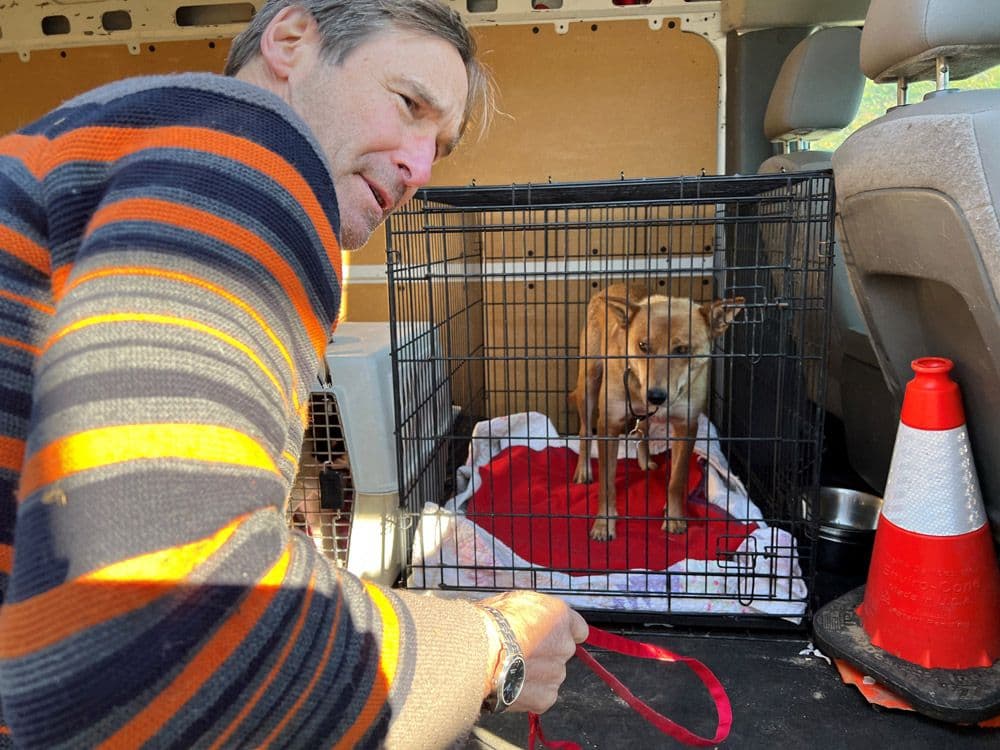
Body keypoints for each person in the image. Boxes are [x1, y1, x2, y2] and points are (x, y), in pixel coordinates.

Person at [0, 1, 589, 747]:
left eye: (439, 146)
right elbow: (148, 643)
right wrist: (490, 649)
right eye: (409, 105)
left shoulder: (91, 139)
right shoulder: (248, 149)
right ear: (290, 39)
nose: (418, 168)